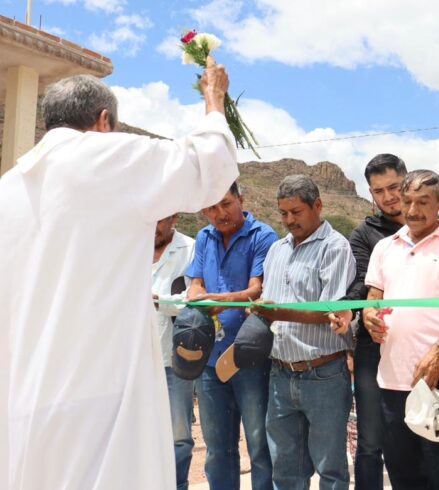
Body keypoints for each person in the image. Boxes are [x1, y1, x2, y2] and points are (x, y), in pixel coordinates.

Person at [0, 58, 237, 489]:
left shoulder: (9, 187)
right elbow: (211, 166)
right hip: (99, 390)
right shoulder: (106, 156)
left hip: (23, 390)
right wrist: (214, 99)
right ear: (104, 121)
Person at [363, 169, 439, 489]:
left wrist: (438, 353)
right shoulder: (385, 248)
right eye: (407, 201)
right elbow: (373, 298)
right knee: (404, 475)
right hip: (392, 382)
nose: (413, 210)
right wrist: (369, 316)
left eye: (422, 202)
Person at [253, 175, 356, 490]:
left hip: (323, 374)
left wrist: (274, 312)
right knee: (286, 471)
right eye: (283, 213)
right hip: (280, 375)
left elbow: (329, 311)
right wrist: (258, 309)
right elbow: (269, 303)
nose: (289, 220)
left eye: (296, 212)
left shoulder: (335, 247)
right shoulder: (276, 250)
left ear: (318, 206)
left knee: (330, 470)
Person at [186, 182, 278, 489]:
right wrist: (198, 296)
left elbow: (257, 290)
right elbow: (195, 284)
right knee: (216, 449)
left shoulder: (262, 236)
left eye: (226, 204)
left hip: (250, 357)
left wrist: (216, 300)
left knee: (260, 445)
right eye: (211, 208)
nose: (219, 213)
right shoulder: (203, 237)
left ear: (241, 199)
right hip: (210, 359)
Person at [344, 154, 407, 490]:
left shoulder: (433, 229)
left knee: (414, 437)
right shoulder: (365, 234)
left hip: (421, 347)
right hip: (373, 347)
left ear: (407, 182)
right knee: (370, 442)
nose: (388, 196)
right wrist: (346, 309)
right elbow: (360, 283)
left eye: (394, 187)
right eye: (379, 191)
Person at [152, 214, 196, 490]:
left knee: (178, 436)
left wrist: (161, 302)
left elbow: (196, 300)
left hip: (173, 359)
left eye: (160, 219)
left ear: (174, 217)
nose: (154, 226)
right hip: (134, 362)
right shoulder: (130, 247)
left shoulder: (190, 249)